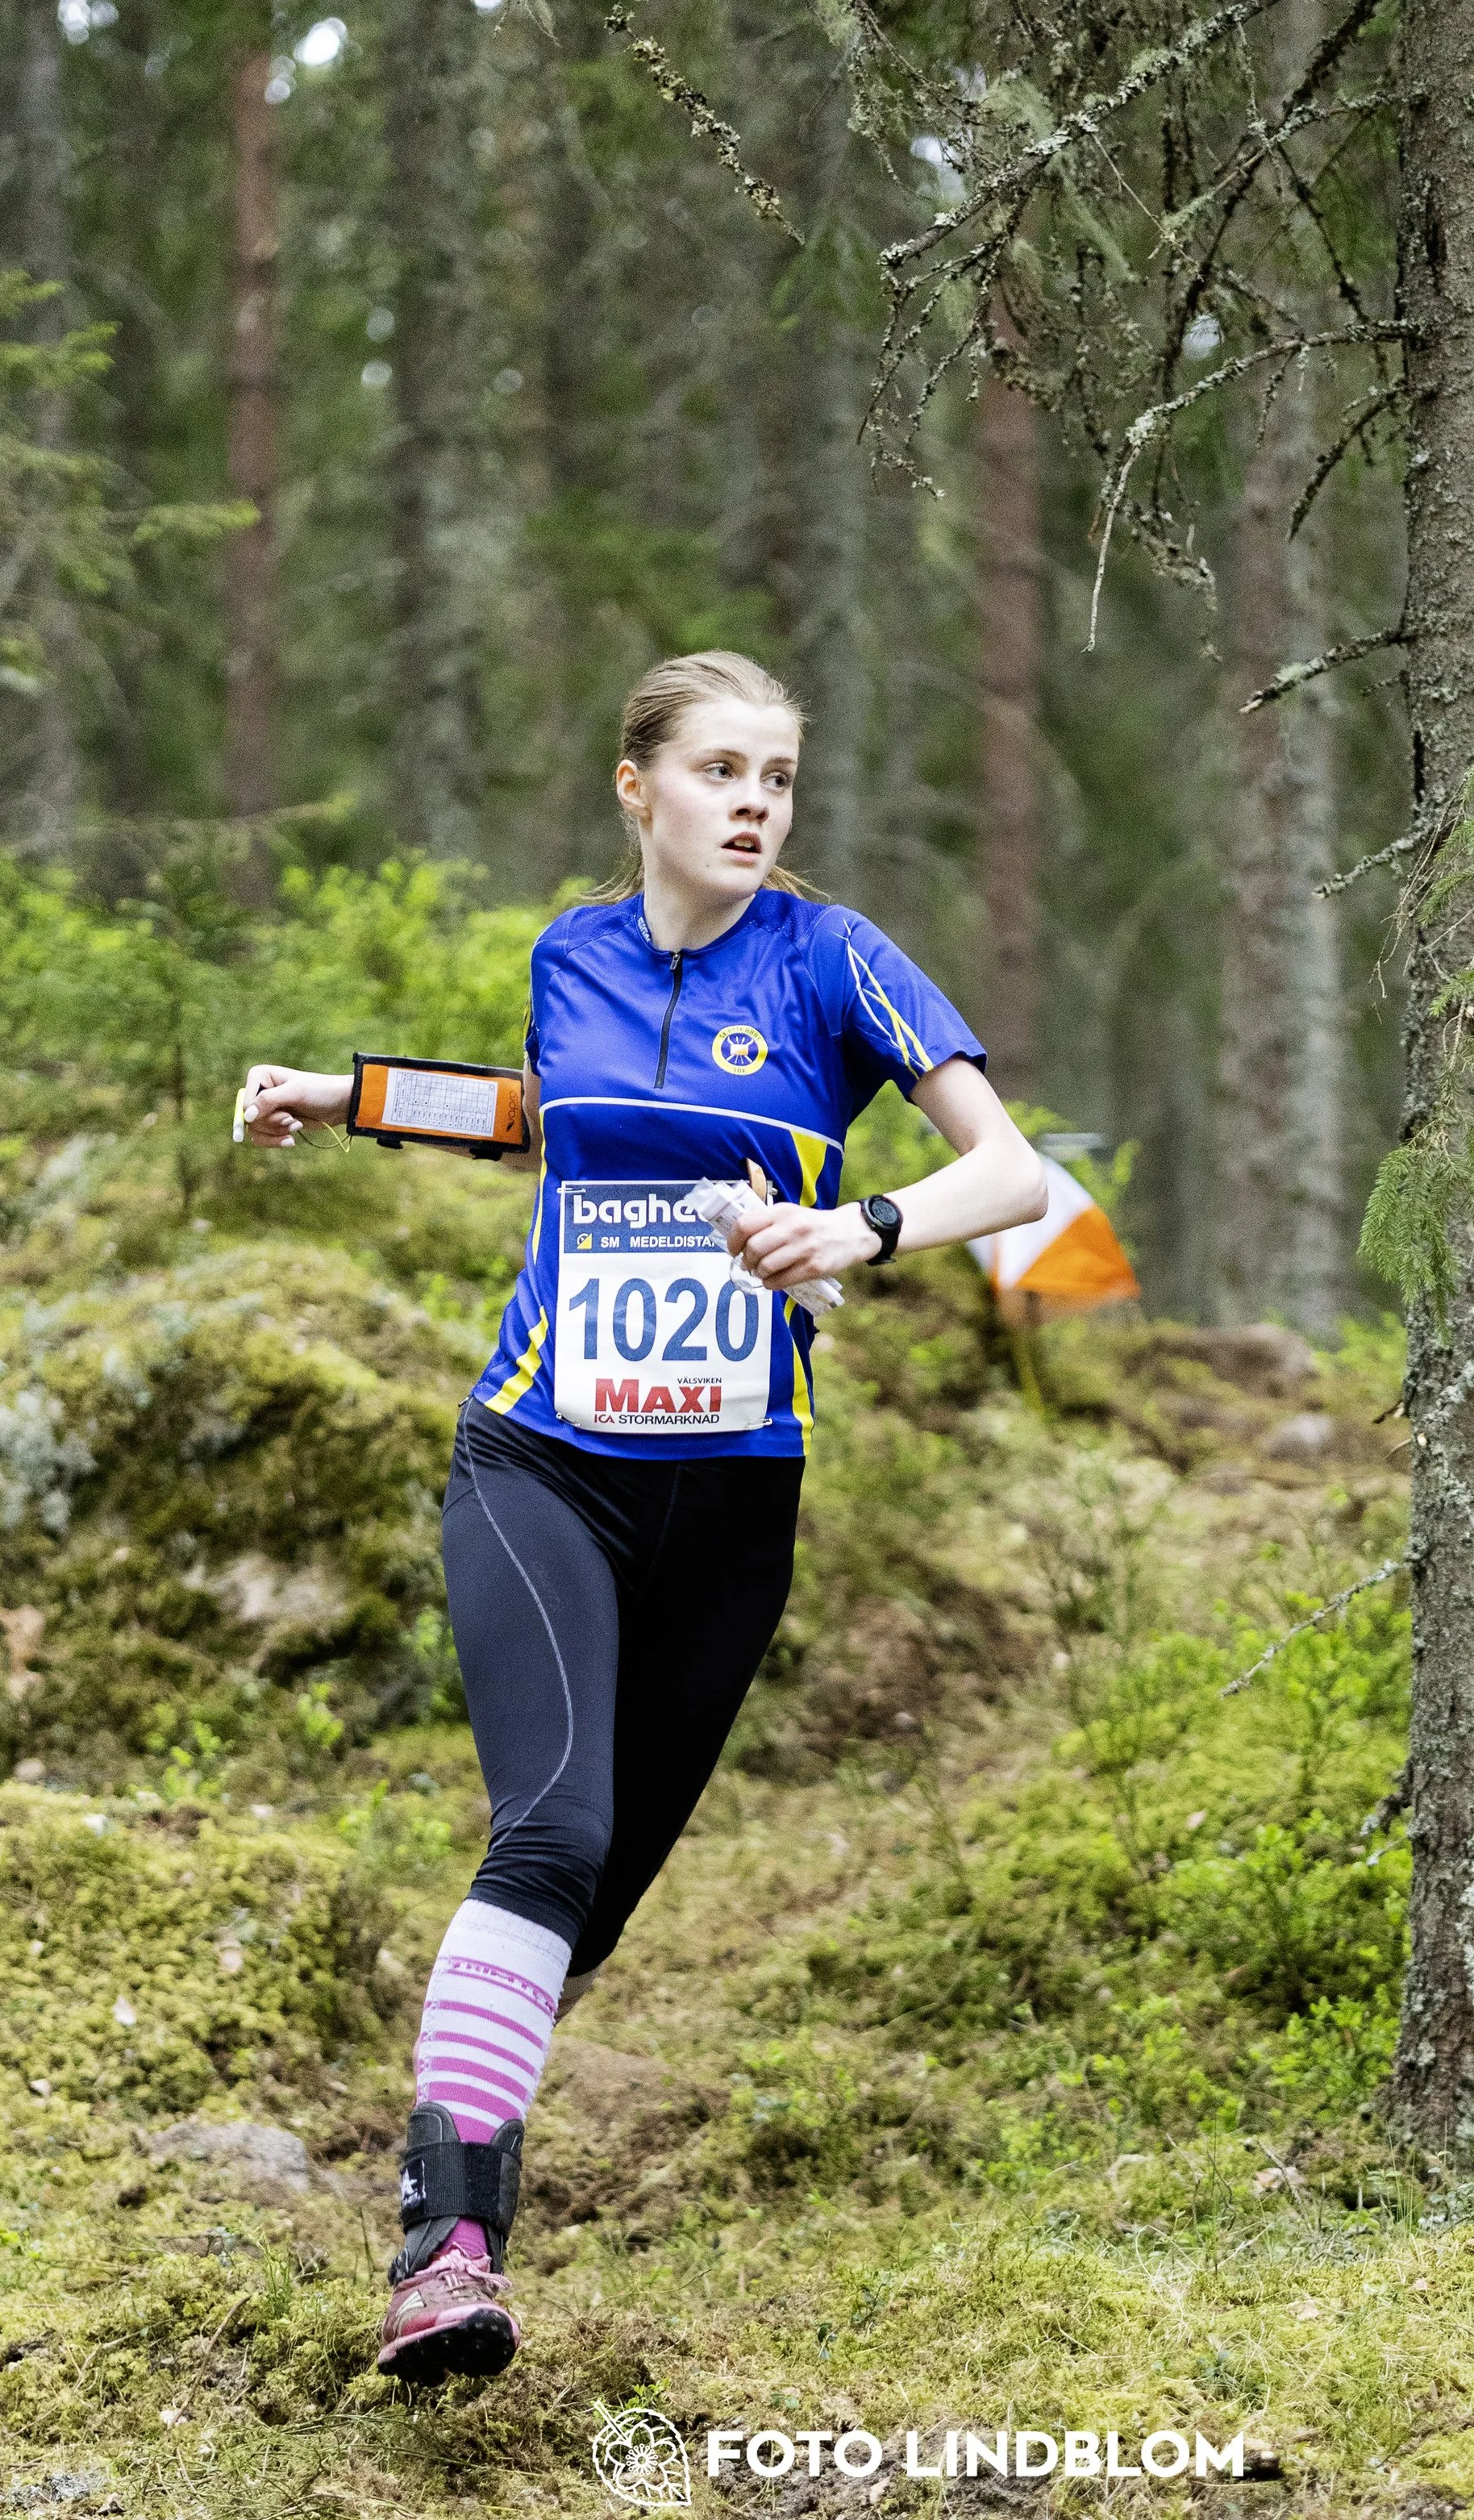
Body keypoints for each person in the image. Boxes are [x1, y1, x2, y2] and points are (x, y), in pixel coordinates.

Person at [237, 649, 1047, 2385]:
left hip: (733, 1503)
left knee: (587, 1898)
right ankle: (442, 2252)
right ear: (640, 788)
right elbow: (557, 1122)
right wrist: (350, 1092)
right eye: (722, 769)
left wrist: (862, 1227)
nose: (754, 800)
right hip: (542, 1460)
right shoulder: (569, 953)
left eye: (777, 775)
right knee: (545, 1831)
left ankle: (452, 2107)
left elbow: (1017, 1170)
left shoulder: (833, 962)